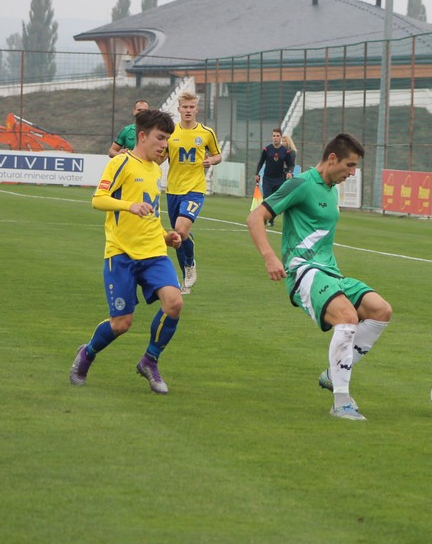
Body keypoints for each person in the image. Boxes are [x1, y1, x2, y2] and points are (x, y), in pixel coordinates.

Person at [247, 133, 392, 421]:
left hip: (331, 272)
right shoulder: (301, 184)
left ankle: (332, 373)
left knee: (381, 310)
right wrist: (270, 256)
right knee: (347, 318)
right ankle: (341, 401)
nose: (352, 173)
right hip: (304, 272)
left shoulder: (332, 189)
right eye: (349, 166)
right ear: (332, 158)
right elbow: (255, 217)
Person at [71, 109, 184, 394]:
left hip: (154, 253)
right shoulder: (121, 162)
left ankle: (150, 360)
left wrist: (165, 236)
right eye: (160, 138)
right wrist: (128, 206)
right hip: (121, 254)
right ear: (142, 136)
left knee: (174, 303)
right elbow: (98, 199)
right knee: (121, 324)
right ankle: (88, 353)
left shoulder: (156, 170)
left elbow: (150, 213)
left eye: (167, 139)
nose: (164, 145)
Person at [165, 91, 222, 294]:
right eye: (184, 107)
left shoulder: (206, 133)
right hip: (172, 190)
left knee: (180, 230)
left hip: (195, 189)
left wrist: (211, 161)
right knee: (177, 238)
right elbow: (159, 157)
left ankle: (190, 265)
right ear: (178, 109)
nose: (188, 110)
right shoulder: (170, 133)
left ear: (196, 109)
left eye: (191, 107)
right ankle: (185, 278)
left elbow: (217, 155)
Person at [254, 128, 293, 226]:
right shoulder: (267, 149)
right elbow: (260, 162)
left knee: (276, 201)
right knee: (267, 198)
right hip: (267, 178)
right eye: (274, 136)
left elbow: (290, 164)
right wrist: (257, 174)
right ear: (272, 137)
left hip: (279, 179)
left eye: (277, 136)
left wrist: (289, 172)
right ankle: (264, 218)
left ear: (280, 137)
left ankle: (271, 219)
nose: (275, 138)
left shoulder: (285, 151)